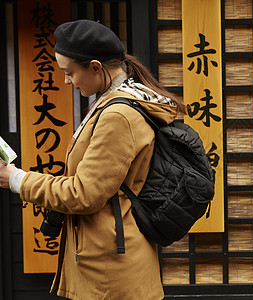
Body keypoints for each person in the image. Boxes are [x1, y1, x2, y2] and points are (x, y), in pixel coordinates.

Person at [0, 19, 185, 300]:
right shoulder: (112, 103)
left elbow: (83, 194)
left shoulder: (118, 115)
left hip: (111, 271)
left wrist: (16, 179)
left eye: (69, 73)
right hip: (109, 258)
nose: (66, 81)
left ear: (96, 67)